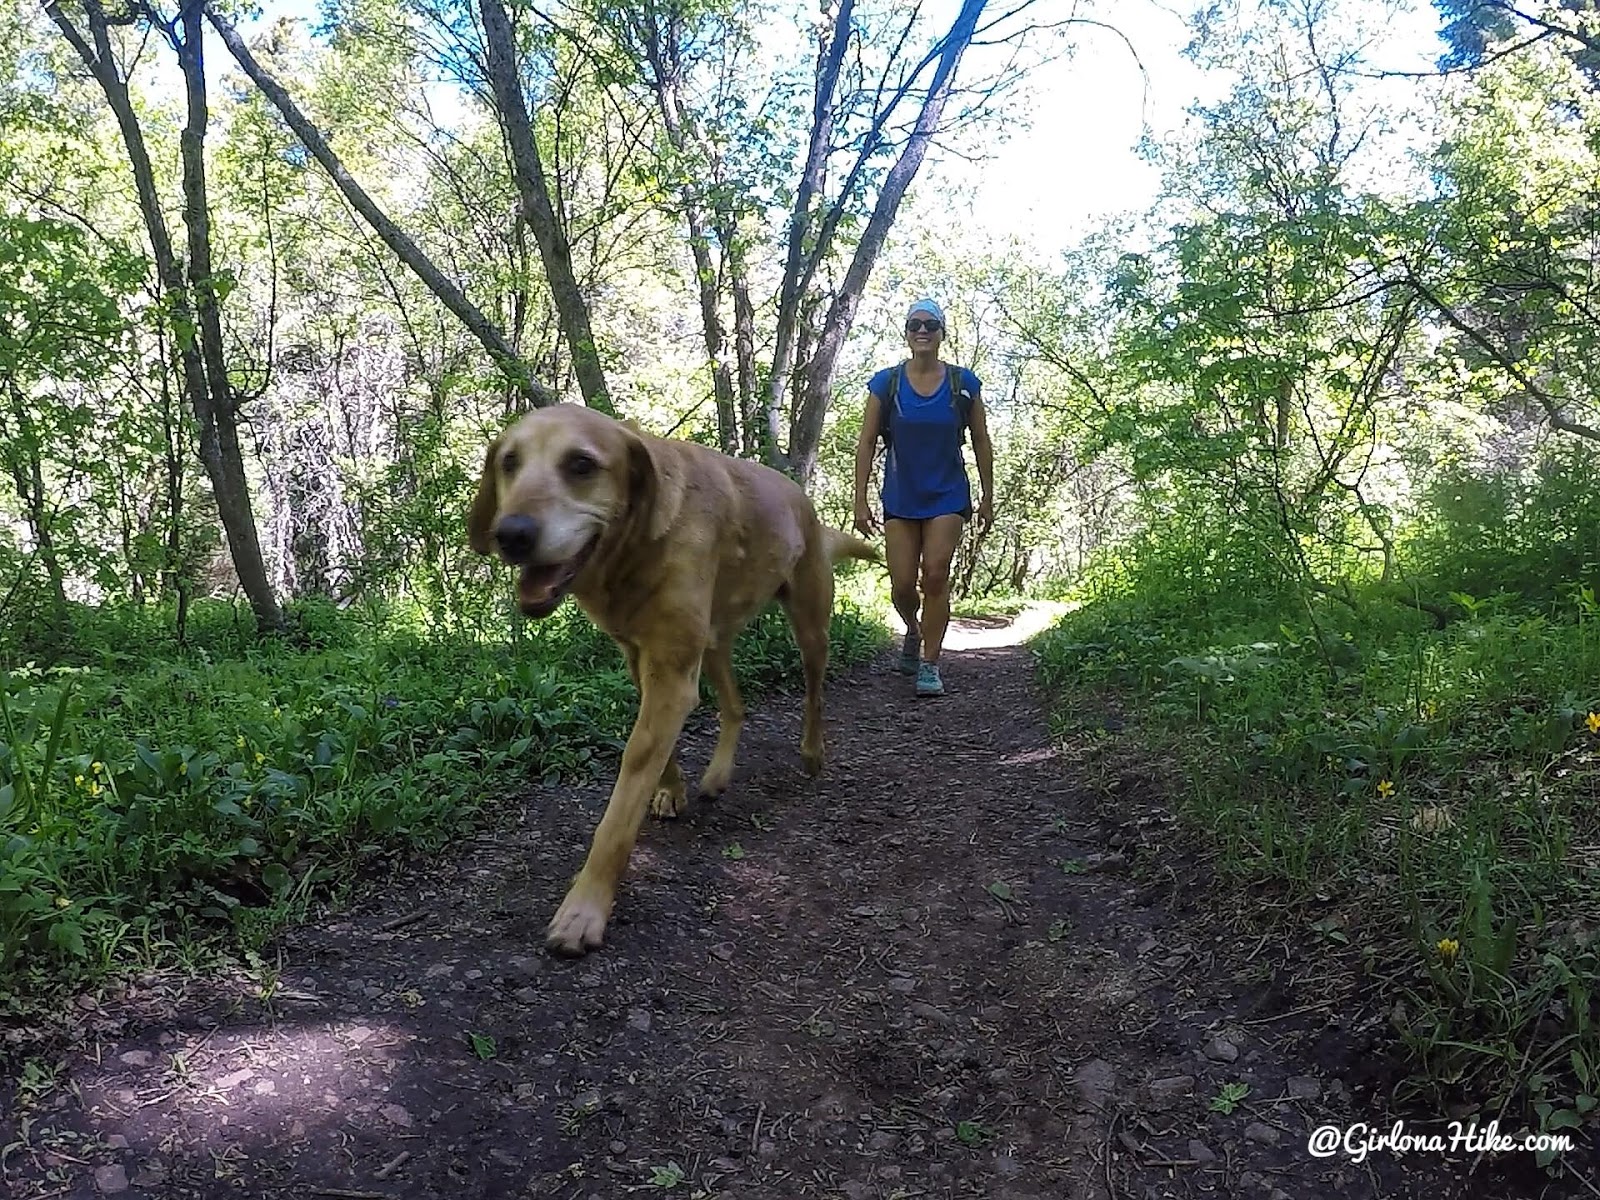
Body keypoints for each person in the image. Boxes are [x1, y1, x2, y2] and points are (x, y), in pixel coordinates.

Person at [853, 297, 993, 697]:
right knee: (901, 585)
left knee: (935, 573)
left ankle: (930, 664)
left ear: (941, 333)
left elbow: (981, 440)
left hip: (948, 494)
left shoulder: (963, 383)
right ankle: (912, 630)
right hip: (901, 495)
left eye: (931, 325)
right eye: (915, 324)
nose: (922, 331)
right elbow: (865, 443)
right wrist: (859, 501)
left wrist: (987, 496)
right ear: (906, 332)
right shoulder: (887, 383)